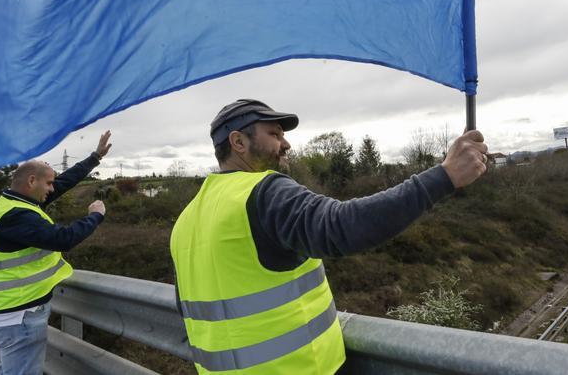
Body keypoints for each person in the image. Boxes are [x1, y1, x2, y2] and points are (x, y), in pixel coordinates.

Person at [170, 100, 487, 374]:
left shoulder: (186, 219)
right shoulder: (264, 191)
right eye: (274, 134)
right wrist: (443, 177)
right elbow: (342, 226)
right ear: (239, 142)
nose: (287, 144)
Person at [0, 131, 113, 375]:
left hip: (7, 312)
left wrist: (95, 157)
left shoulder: (9, 204)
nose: (52, 188)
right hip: (18, 315)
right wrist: (95, 215)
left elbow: (63, 183)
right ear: (31, 181)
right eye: (48, 183)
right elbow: (63, 239)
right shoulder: (16, 216)